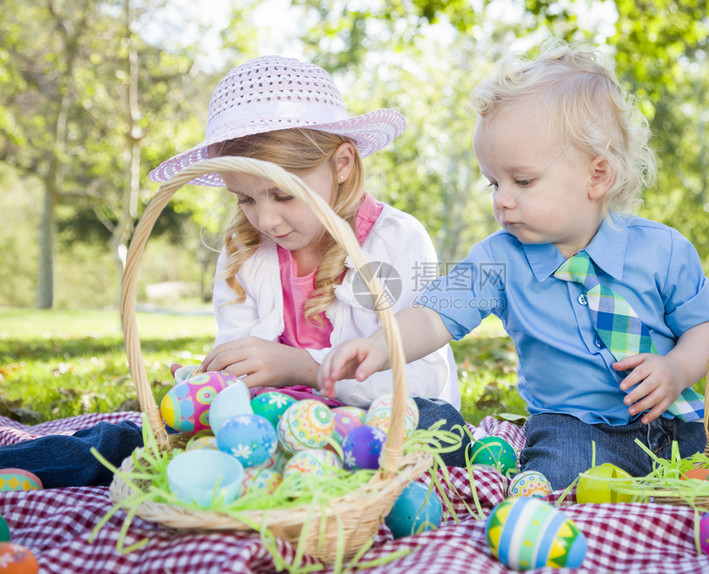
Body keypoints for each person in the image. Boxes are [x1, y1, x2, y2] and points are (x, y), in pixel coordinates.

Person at [0, 56, 467, 488]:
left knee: (440, 432)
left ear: (341, 163)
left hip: (370, 423)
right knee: (134, 437)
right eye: (245, 198)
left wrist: (306, 368)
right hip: (267, 423)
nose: (265, 220)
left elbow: (422, 379)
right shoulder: (246, 251)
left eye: (282, 195)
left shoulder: (397, 240)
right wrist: (216, 381)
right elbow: (240, 351)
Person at [319, 41, 709, 490]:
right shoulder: (497, 258)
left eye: (522, 181)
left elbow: (707, 328)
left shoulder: (664, 250)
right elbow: (431, 316)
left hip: (677, 419)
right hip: (575, 428)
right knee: (549, 483)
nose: (502, 199)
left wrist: (676, 369)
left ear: (596, 175)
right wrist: (381, 345)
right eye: (493, 182)